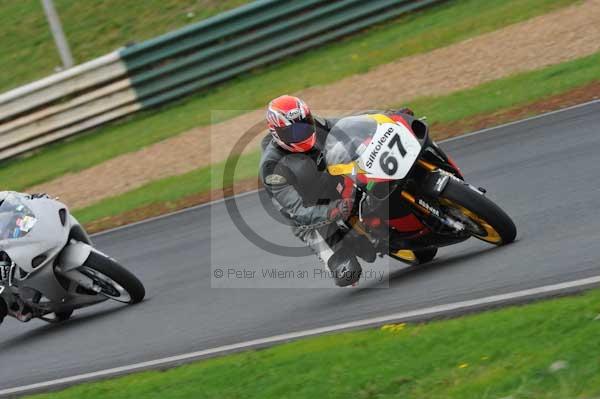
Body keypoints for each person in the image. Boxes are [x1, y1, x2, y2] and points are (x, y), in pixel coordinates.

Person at [259, 95, 414, 286]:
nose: (303, 132)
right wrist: (332, 210)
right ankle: (350, 244)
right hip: (312, 213)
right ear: (277, 133)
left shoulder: (315, 124)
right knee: (348, 273)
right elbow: (298, 212)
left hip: (334, 180)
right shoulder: (272, 167)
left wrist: (388, 117)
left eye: (305, 124)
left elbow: (348, 125)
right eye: (294, 131)